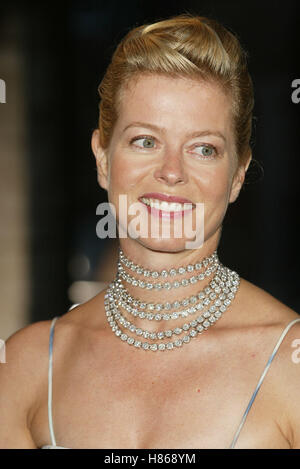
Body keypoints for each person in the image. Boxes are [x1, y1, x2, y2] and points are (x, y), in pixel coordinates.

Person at [1, 14, 300, 450]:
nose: (171, 172)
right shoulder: (27, 364)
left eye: (203, 148)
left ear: (237, 175)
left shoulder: (289, 362)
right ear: (103, 158)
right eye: (145, 141)